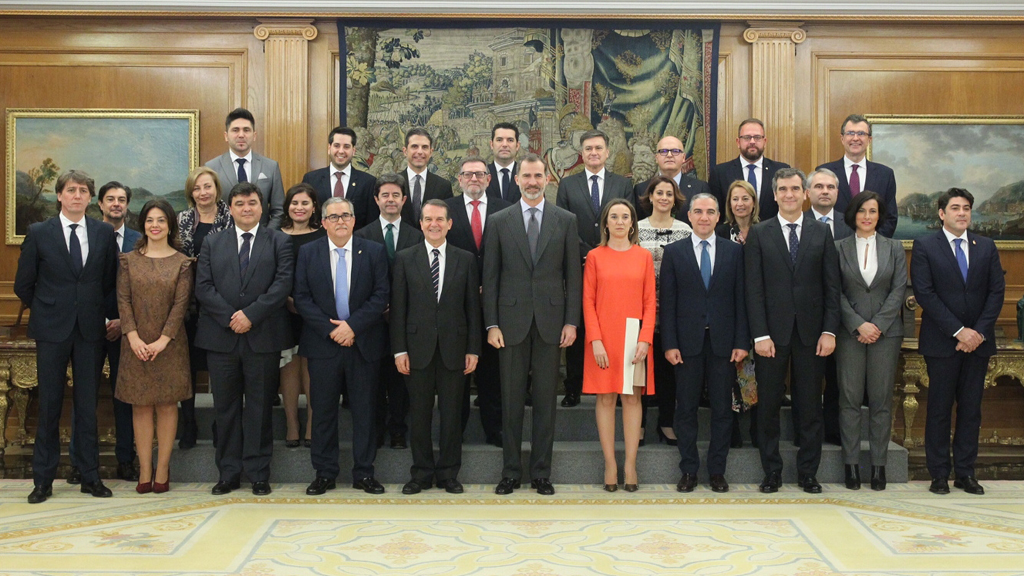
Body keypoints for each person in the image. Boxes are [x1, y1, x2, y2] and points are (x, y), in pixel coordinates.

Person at [15, 170, 118, 504]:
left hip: (90, 331)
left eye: (84, 191)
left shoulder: (103, 232)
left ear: (90, 198)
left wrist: (96, 311)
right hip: (51, 330)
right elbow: (23, 284)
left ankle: (89, 476)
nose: (77, 195)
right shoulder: (39, 232)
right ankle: (42, 480)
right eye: (71, 190)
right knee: (49, 406)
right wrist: (48, 309)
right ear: (59, 195)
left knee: (87, 405)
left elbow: (109, 282)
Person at [484, 153, 582, 495]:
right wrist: (491, 324)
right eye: (526, 176)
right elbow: (490, 278)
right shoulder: (498, 221)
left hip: (551, 324)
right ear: (516, 179)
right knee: (510, 401)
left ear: (547, 179)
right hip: (509, 323)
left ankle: (541, 472)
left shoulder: (565, 220)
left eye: (538, 176)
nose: (532, 182)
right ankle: (510, 471)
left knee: (545, 402)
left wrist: (571, 322)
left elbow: (574, 276)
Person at [194, 182, 294, 496]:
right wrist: (230, 317)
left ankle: (258, 473)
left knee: (260, 409)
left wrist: (250, 314)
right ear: (231, 207)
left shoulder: (279, 241)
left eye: (252, 203)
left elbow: (282, 285)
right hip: (221, 339)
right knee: (225, 410)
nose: (246, 208)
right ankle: (228, 473)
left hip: (262, 337)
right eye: (240, 203)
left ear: (261, 207)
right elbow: (203, 287)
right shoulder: (212, 242)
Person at [745, 168, 840, 494]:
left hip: (813, 336)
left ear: (805, 194)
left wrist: (830, 331)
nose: (789, 194)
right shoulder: (760, 233)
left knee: (810, 406)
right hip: (771, 336)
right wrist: (759, 335)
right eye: (783, 189)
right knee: (768, 406)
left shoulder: (820, 232)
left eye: (795, 189)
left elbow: (831, 287)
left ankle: (808, 474)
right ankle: (771, 472)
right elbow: (753, 289)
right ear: (774, 195)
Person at [293, 197, 390, 495]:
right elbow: (302, 297)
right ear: (322, 222)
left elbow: (381, 295)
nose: (340, 221)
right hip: (324, 345)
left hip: (363, 344)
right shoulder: (308, 253)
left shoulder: (373, 251)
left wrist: (352, 327)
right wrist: (332, 330)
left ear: (354, 220)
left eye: (345, 215)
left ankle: (364, 472)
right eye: (333, 217)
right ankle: (324, 473)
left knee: (365, 412)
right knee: (322, 412)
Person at [911, 188, 1004, 496]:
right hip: (942, 343)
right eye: (955, 208)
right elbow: (925, 294)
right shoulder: (925, 245)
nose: (962, 213)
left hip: (978, 343)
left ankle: (966, 472)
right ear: (942, 213)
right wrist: (959, 331)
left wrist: (976, 332)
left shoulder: (986, 246)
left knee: (970, 409)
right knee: (938, 408)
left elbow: (996, 293)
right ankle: (938, 474)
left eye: (966, 208)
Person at [661, 193, 749, 493]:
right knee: (685, 409)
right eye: (698, 211)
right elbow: (668, 303)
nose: (704, 217)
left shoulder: (734, 252)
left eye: (710, 212)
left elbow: (741, 300)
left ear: (718, 217)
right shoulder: (674, 252)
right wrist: (669, 343)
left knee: (723, 410)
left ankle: (717, 471)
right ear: (689, 216)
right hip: (686, 344)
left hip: (724, 344)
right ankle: (688, 470)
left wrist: (741, 341)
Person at [392, 199, 481, 494]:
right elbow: (398, 309)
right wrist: (399, 349)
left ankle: (447, 473)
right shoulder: (405, 258)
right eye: (428, 219)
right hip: (416, 349)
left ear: (449, 223)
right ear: (420, 223)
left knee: (453, 414)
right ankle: (420, 473)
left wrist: (473, 349)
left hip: (455, 349)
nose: (434, 224)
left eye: (440, 219)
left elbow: (473, 309)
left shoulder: (465, 259)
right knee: (418, 414)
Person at [115, 198, 194, 494]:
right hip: (134, 342)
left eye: (161, 220)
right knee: (141, 406)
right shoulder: (128, 260)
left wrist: (162, 341)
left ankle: (162, 470)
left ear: (170, 224)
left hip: (169, 344)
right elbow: (123, 300)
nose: (155, 225)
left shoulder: (183, 262)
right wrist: (133, 337)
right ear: (143, 224)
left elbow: (180, 305)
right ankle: (144, 471)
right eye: (150, 220)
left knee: (167, 404)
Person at [556, 129, 633, 408]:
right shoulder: (567, 185)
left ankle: (618, 384)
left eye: (598, 148)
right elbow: (564, 226)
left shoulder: (622, 185)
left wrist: (606, 253)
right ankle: (573, 387)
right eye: (588, 149)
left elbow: (627, 219)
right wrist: (590, 254)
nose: (593, 153)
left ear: (607, 152)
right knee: (578, 325)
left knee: (613, 325)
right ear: (582, 152)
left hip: (615, 265)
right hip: (579, 265)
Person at [583, 199, 656, 492]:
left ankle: (630, 465)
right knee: (605, 399)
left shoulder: (644, 257)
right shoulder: (595, 256)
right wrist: (595, 340)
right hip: (603, 337)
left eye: (625, 216)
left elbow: (650, 302)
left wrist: (645, 339)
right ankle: (610, 463)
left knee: (631, 399)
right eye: (614, 216)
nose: (619, 221)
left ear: (632, 223)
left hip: (633, 336)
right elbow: (587, 301)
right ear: (606, 223)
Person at [835, 191, 906, 491]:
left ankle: (878, 468)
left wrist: (876, 325)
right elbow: (834, 292)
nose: (867, 216)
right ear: (853, 214)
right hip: (850, 333)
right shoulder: (838, 248)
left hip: (885, 334)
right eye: (862, 210)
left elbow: (899, 289)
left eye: (873, 211)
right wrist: (857, 324)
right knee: (849, 400)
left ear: (880, 215)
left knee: (880, 401)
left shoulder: (894, 248)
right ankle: (851, 467)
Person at [446, 157, 512, 447]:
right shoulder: (445, 210)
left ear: (488, 179)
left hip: (495, 304)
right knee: (457, 372)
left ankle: (494, 429)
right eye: (468, 174)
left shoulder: (504, 209)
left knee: (492, 374)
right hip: (455, 306)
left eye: (480, 174)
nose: (474, 178)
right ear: (459, 179)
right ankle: (454, 431)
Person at [355, 173, 424, 449]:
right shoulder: (361, 235)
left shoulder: (416, 235)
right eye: (385, 195)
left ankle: (398, 429)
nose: (391, 200)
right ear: (376, 199)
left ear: (404, 200)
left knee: (400, 380)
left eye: (396, 195)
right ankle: (376, 430)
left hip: (406, 321)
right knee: (372, 380)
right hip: (371, 322)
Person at [84, 181, 141, 482]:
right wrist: (102, 319)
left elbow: (142, 289)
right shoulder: (87, 235)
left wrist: (122, 321)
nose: (116, 204)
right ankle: (84, 464)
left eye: (122, 199)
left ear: (127, 205)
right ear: (101, 205)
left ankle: (126, 460)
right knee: (86, 396)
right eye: (110, 199)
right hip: (90, 328)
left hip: (127, 329)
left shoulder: (139, 240)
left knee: (125, 397)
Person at [177, 166, 233, 449]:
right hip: (186, 305)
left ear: (216, 189)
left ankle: (220, 424)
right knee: (186, 365)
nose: (202, 193)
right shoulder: (181, 220)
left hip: (221, 304)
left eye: (207, 187)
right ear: (191, 192)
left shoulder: (231, 217)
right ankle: (188, 423)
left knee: (219, 368)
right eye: (197, 188)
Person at [636, 176, 692, 447]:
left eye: (669, 194)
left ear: (675, 198)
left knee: (670, 372)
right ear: (650, 196)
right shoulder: (635, 229)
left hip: (675, 314)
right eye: (659, 193)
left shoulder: (686, 230)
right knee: (640, 372)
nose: (664, 198)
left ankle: (667, 423)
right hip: (639, 313)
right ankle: (640, 425)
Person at [805, 168, 853, 448]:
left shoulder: (849, 225)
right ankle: (806, 432)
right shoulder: (798, 222)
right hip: (807, 313)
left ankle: (833, 432)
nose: (825, 191)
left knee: (837, 377)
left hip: (841, 313)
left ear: (837, 193)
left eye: (831, 187)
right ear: (808, 192)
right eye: (819, 186)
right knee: (807, 381)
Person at [279, 183, 325, 448]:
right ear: (287, 206)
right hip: (282, 311)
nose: (299, 208)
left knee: (311, 366)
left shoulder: (322, 235)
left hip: (313, 311)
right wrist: (285, 300)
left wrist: (305, 303)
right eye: (294, 203)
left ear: (314, 207)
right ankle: (291, 424)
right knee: (289, 365)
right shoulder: (275, 235)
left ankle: (310, 423)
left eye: (305, 203)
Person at [715, 179, 760, 447]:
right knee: (731, 371)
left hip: (759, 312)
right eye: (735, 199)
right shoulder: (720, 232)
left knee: (756, 372)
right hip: (729, 312)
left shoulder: (765, 230)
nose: (740, 203)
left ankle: (757, 427)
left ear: (753, 202)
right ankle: (732, 431)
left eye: (745, 198)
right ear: (729, 204)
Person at [816, 114, 898, 237]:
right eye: (850, 133)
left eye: (861, 134)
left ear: (869, 140)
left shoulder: (885, 174)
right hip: (833, 247)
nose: (855, 138)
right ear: (842, 138)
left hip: (871, 248)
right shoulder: (824, 172)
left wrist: (870, 243)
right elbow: (818, 212)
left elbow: (890, 217)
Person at [206, 107, 286, 229]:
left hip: (263, 240)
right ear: (226, 136)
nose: (241, 135)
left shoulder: (270, 166)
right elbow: (207, 210)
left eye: (246, 130)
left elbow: (279, 211)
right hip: (224, 239)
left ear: (254, 135)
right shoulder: (211, 168)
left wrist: (265, 236)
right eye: (235, 130)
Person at [708, 118, 791, 221]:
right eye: (747, 138)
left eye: (757, 137)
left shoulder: (781, 171)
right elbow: (716, 212)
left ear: (764, 141)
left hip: (771, 235)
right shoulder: (720, 173)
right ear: (738, 142)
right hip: (732, 235)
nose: (752, 142)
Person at [301, 126, 377, 230]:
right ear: (329, 148)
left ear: (353, 151)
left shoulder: (368, 182)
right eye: (336, 146)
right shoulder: (311, 179)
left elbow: (371, 223)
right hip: (319, 243)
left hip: (356, 243)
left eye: (346, 146)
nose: (341, 151)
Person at [632, 135, 711, 222]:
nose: (669, 155)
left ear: (683, 157)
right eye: (664, 151)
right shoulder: (641, 189)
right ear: (656, 158)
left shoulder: (700, 188)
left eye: (675, 151)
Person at [402, 127, 453, 221]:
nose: (420, 152)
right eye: (414, 146)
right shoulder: (393, 184)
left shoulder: (443, 186)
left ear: (431, 152)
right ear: (405, 151)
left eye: (424, 147)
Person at [486, 122, 521, 203]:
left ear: (517, 145)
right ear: (491, 144)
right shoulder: (481, 175)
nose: (505, 144)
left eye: (510, 140)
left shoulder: (527, 174)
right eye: (499, 140)